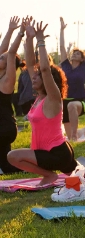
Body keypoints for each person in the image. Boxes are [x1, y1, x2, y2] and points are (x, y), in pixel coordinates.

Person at [7, 19, 78, 185]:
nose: (34, 76)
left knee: (13, 156)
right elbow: (31, 64)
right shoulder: (39, 97)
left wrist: (40, 41)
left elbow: (45, 69)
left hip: (57, 153)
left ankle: (50, 175)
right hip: (48, 152)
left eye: (38, 75)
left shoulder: (53, 97)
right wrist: (29, 37)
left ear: (48, 80)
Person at [59, 17, 85, 141]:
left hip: (80, 102)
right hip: (64, 102)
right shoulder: (66, 66)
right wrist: (62, 30)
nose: (74, 54)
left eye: (78, 53)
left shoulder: (84, 68)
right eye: (73, 53)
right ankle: (84, 131)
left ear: (82, 59)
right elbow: (62, 47)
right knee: (68, 136)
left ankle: (75, 136)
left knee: (72, 105)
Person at [1, 17, 26, 174]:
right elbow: (4, 53)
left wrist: (20, 33)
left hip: (4, 128)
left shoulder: (7, 82)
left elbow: (10, 54)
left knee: (7, 167)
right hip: (3, 129)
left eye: (1, 59)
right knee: (7, 166)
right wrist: (10, 30)